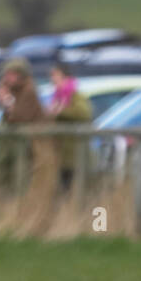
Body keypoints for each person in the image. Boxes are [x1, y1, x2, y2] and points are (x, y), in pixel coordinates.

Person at [0, 57, 57, 195]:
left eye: (10, 74)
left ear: (20, 75)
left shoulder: (28, 91)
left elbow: (19, 117)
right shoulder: (17, 91)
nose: (6, 78)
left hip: (32, 148)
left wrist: (7, 100)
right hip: (20, 148)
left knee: (25, 184)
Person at [46, 62, 93, 192]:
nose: (52, 79)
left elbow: (84, 113)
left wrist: (61, 111)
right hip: (62, 155)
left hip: (75, 155)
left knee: (76, 190)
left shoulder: (75, 96)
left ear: (64, 77)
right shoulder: (57, 97)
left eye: (55, 75)